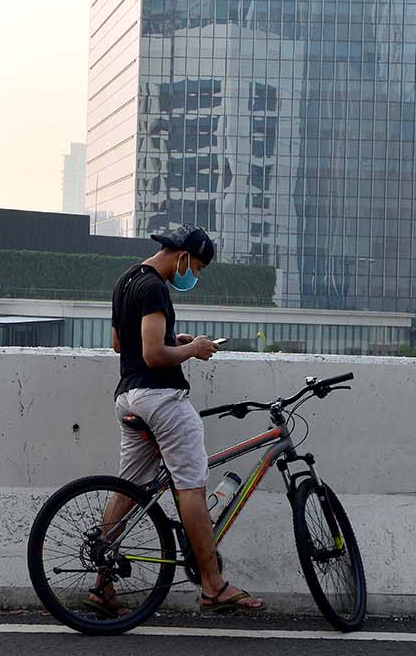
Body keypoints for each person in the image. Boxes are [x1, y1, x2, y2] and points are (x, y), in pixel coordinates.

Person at [95, 224, 265, 616]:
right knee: (191, 487)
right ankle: (213, 586)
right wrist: (194, 349)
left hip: (129, 396)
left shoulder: (126, 280)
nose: (196, 275)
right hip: (162, 398)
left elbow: (121, 344)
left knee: (129, 490)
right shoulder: (154, 286)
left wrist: (175, 339)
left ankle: (102, 584)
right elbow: (153, 356)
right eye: (198, 267)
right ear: (183, 256)